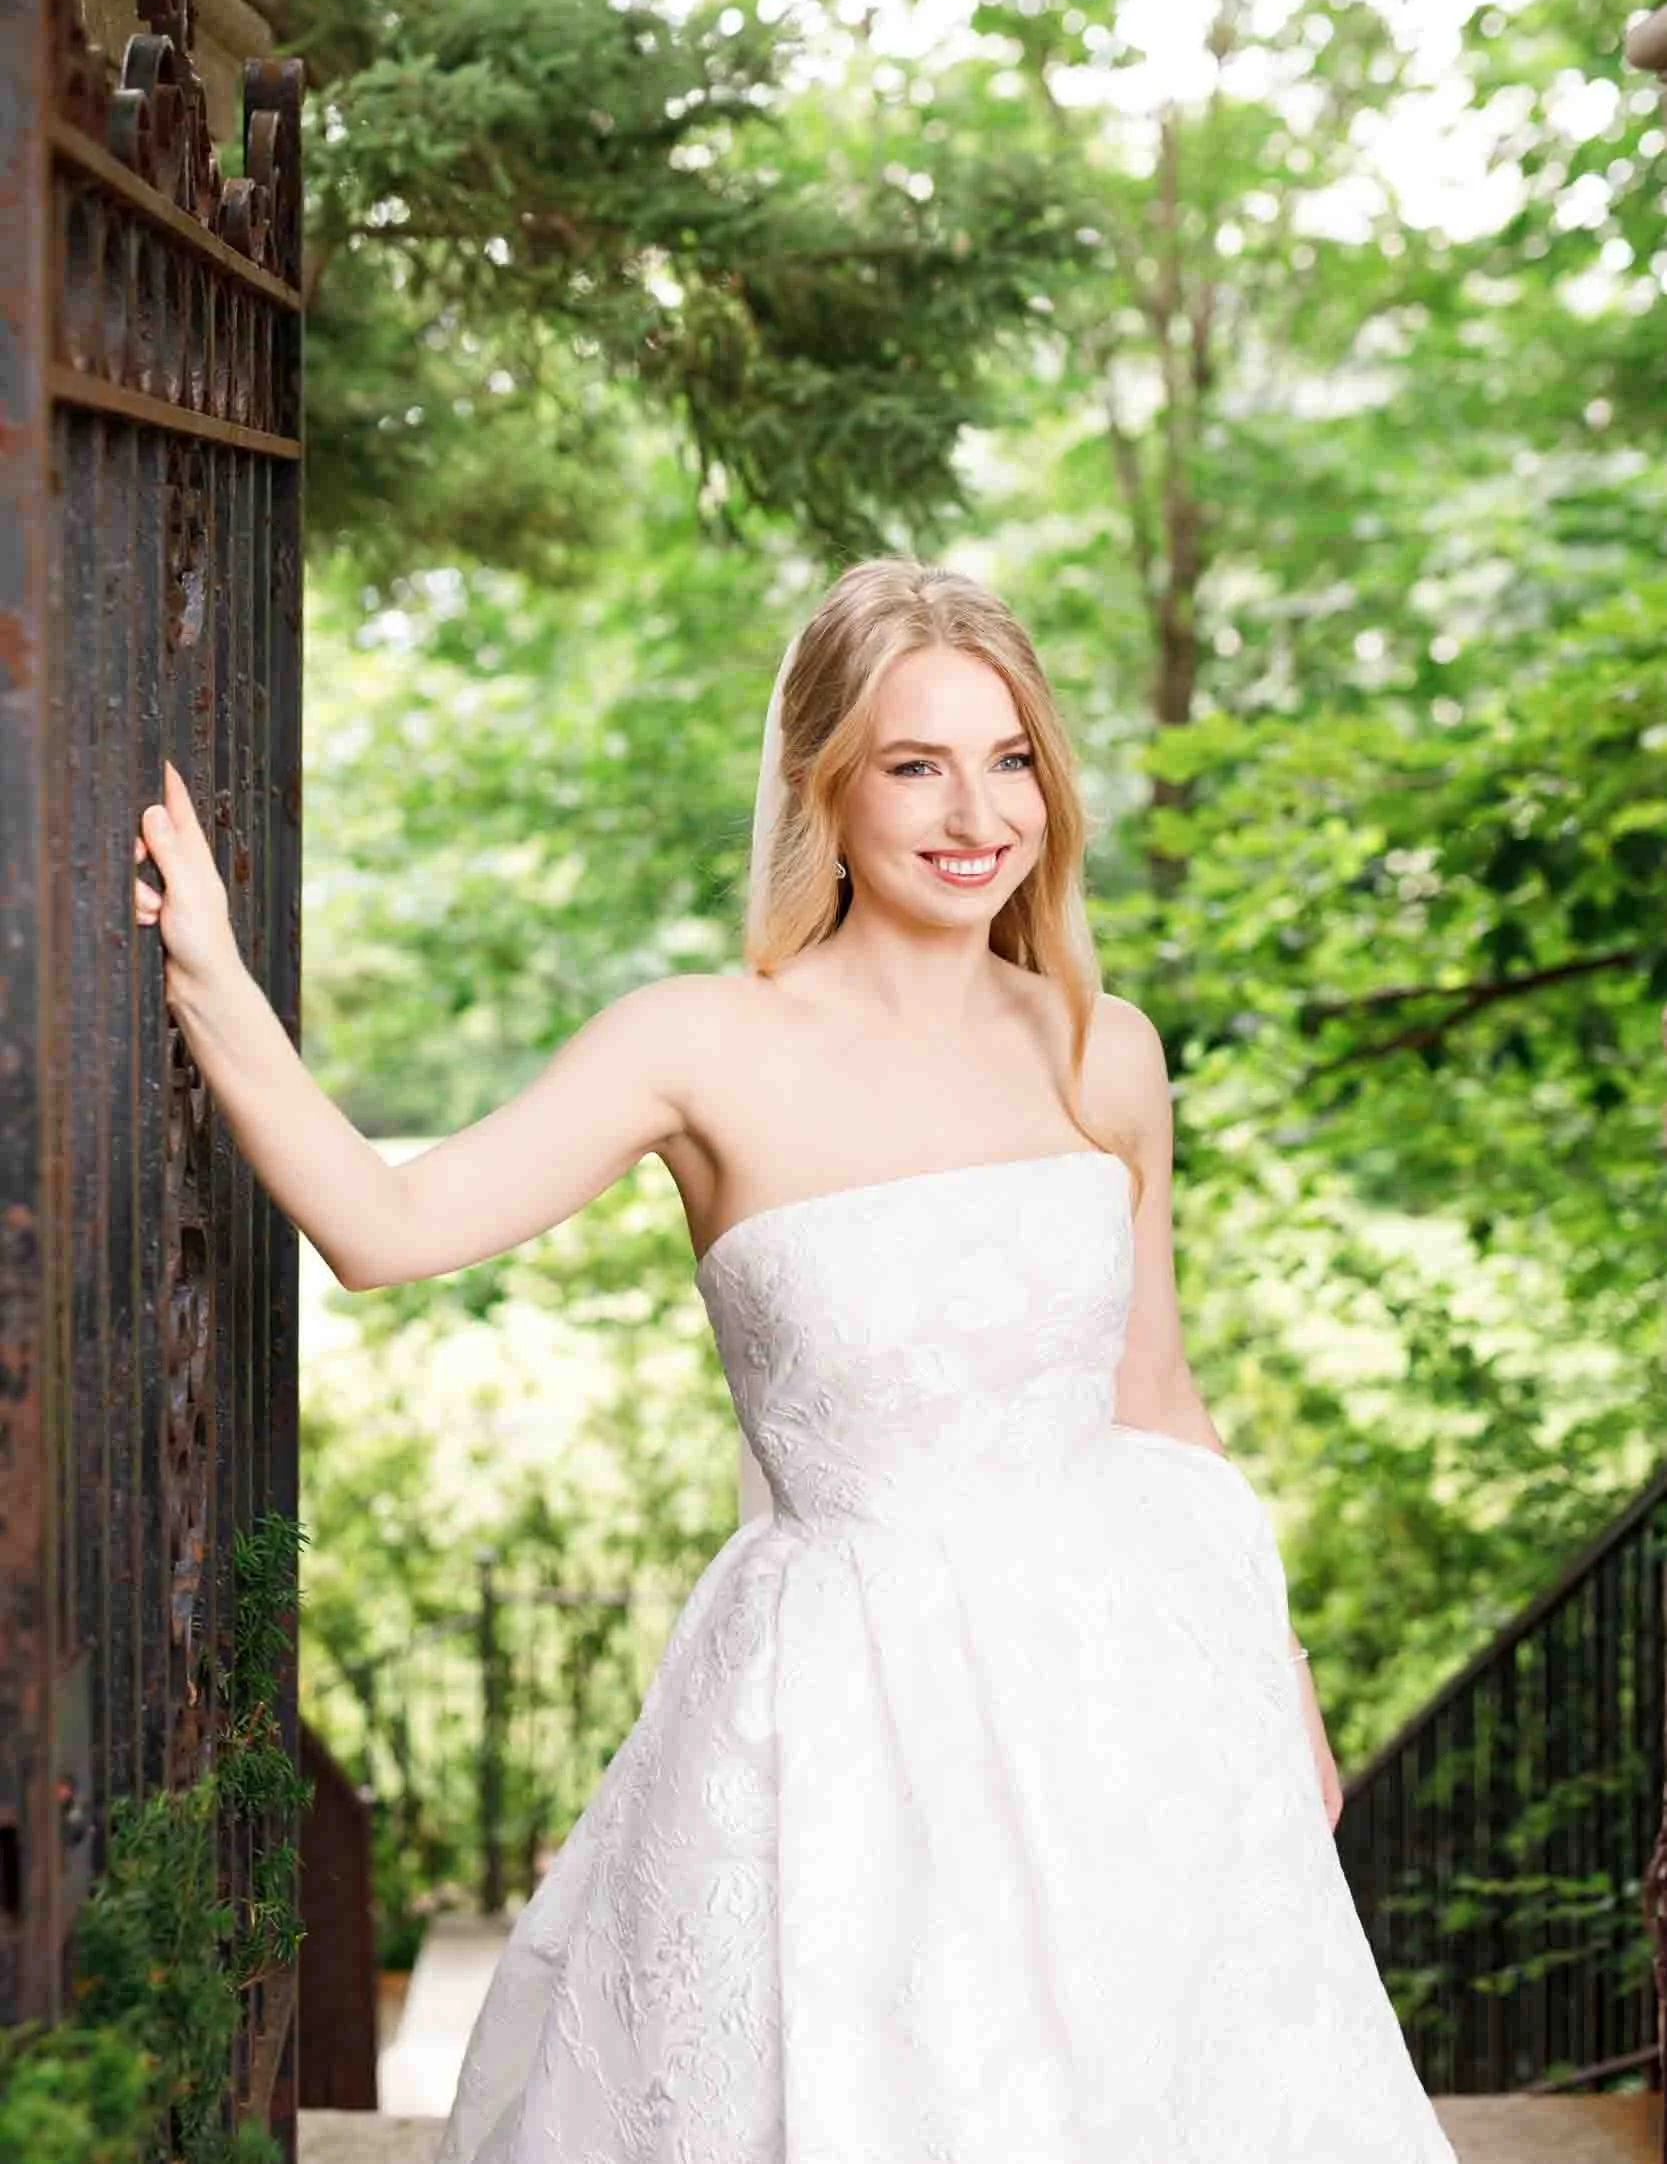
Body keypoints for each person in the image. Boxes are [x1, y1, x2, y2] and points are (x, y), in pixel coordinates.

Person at [135, 556, 1458, 2163]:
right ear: (823, 782)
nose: (977, 810)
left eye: (1011, 757)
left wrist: (1281, 1689)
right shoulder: (700, 1043)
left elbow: (1157, 1402)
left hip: (1131, 1705)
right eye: (917, 762)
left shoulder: (1101, 1047)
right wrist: (209, 973)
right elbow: (391, 1226)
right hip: (839, 1721)